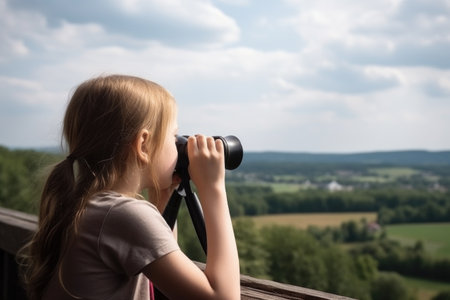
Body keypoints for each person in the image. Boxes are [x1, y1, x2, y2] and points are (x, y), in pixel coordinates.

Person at [18, 74, 240, 300]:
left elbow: (166, 275)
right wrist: (213, 188)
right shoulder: (123, 214)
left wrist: (162, 199)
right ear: (143, 144)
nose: (179, 145)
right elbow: (222, 297)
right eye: (173, 136)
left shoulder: (85, 206)